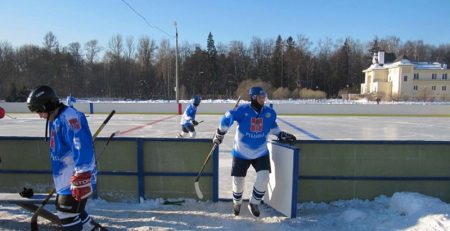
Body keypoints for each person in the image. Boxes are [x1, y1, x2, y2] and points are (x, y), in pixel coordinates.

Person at [27, 85, 105, 230]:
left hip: (76, 178)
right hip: (65, 180)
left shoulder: (70, 118)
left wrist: (83, 173)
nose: (39, 115)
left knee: (66, 214)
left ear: (48, 105)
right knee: (75, 212)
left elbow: (82, 145)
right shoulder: (57, 119)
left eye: (40, 110)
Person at [212, 86, 296, 217]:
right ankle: (237, 202)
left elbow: (272, 125)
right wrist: (219, 133)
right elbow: (227, 117)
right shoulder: (242, 110)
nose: (263, 99)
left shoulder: (269, 112)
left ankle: (254, 202)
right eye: (261, 97)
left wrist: (280, 134)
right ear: (253, 97)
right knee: (238, 181)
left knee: (264, 177)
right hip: (241, 152)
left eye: (264, 97)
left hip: (261, 152)